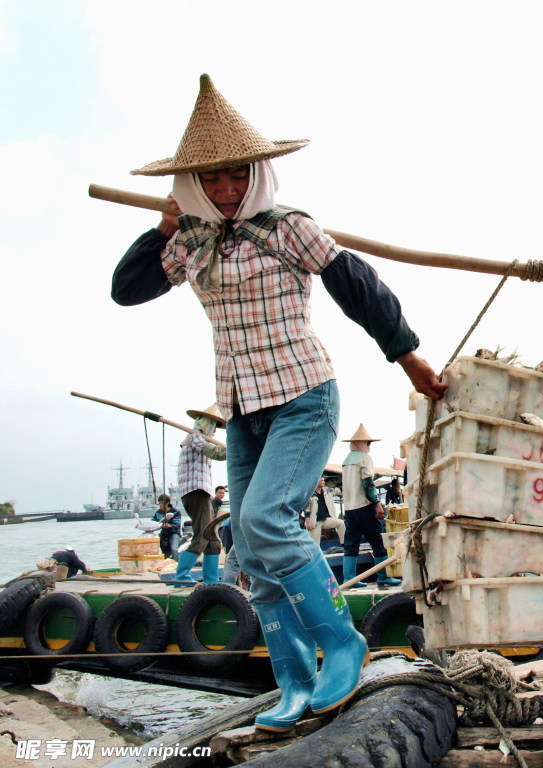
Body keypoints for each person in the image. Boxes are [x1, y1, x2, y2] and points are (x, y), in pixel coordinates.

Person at [110, 74, 446, 732]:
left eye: (239, 175)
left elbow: (358, 285)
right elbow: (127, 288)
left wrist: (409, 357)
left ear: (257, 172)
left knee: (265, 521)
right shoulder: (191, 243)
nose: (228, 190)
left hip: (302, 396)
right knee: (248, 545)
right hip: (243, 413)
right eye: (212, 180)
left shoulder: (288, 228)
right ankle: (294, 681)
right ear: (191, 185)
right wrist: (162, 227)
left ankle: (344, 644)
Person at [341, 425, 402, 589]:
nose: (369, 446)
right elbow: (368, 484)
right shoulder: (364, 458)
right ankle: (383, 577)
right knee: (377, 541)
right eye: (368, 443)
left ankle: (348, 580)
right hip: (364, 506)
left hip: (349, 509)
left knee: (351, 544)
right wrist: (377, 504)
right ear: (363, 443)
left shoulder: (346, 461)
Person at [173, 404, 228, 584]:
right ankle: (181, 576)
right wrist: (234, 450)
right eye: (213, 427)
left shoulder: (200, 438)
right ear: (206, 424)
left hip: (202, 492)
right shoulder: (195, 437)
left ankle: (210, 580)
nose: (213, 433)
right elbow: (213, 452)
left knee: (212, 538)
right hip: (195, 491)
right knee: (204, 534)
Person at [300, 474, 344, 548]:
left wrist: (347, 484)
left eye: (324, 480)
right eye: (322, 480)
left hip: (325, 519)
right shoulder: (310, 494)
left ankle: (344, 544)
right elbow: (306, 509)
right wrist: (308, 522)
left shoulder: (327, 490)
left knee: (341, 523)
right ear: (316, 482)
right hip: (315, 522)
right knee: (315, 545)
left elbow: (337, 490)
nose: (323, 482)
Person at [153, 494, 183, 561]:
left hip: (173, 533)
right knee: (153, 543)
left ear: (167, 503)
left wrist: (169, 525)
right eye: (159, 503)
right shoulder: (158, 513)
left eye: (161, 503)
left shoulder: (175, 512)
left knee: (174, 549)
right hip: (163, 533)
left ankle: (179, 565)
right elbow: (153, 522)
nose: (160, 505)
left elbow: (177, 525)